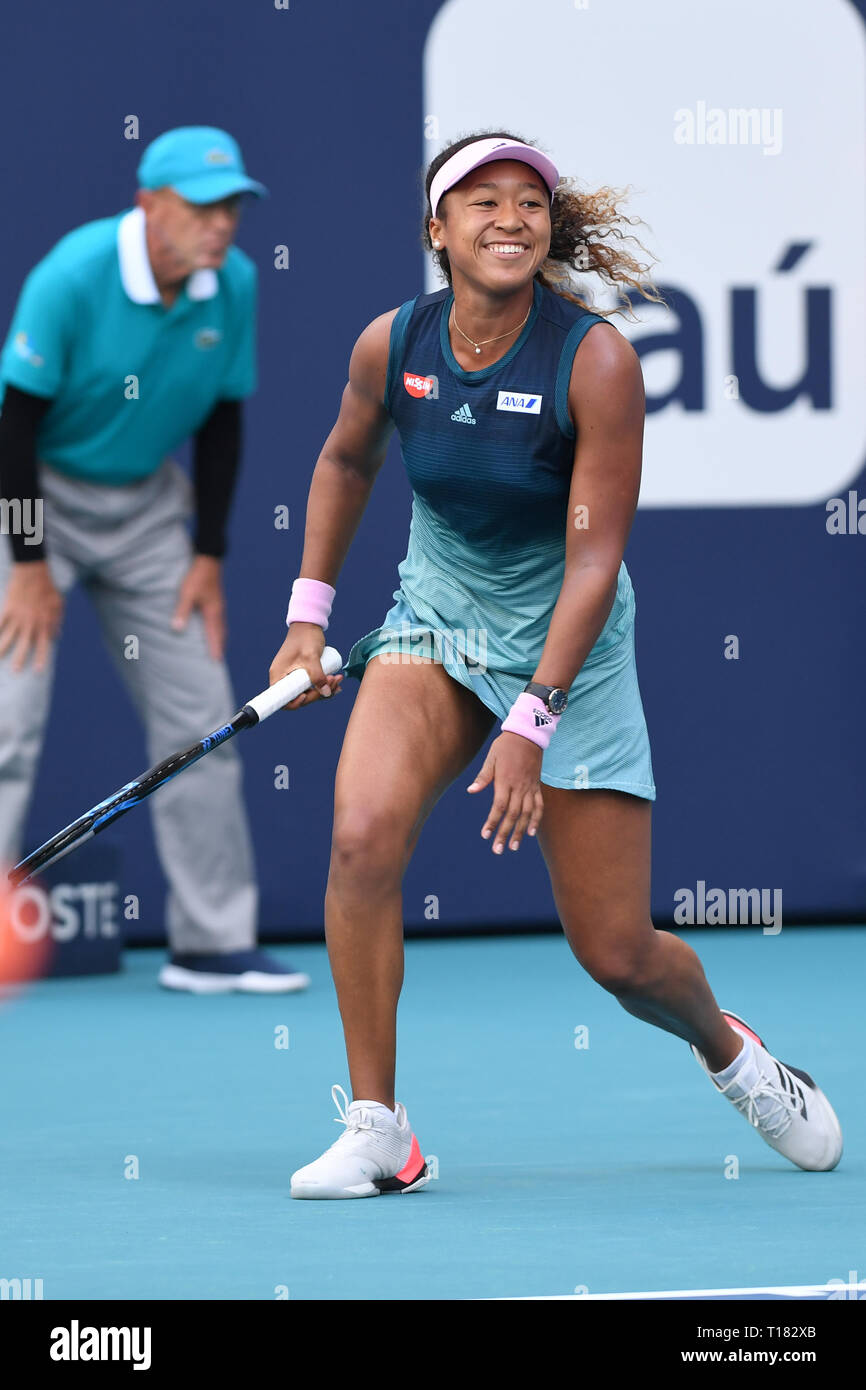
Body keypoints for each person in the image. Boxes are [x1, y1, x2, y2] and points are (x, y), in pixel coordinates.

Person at [268, 131, 842, 1197]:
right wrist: (309, 619)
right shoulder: (389, 344)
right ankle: (380, 1127)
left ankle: (732, 1053)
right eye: (479, 201)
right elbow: (346, 456)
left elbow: (592, 558)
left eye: (527, 202)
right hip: (438, 616)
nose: (508, 218)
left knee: (618, 954)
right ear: (435, 232)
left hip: (568, 640)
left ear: (547, 226)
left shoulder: (594, 359)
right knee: (358, 836)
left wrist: (532, 716)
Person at [0, 126, 314, 993]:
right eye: (201, 207)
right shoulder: (73, 274)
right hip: (33, 501)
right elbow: (15, 420)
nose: (221, 225)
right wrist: (27, 561)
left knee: (201, 718)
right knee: (7, 722)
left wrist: (207, 554)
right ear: (149, 204)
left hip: (145, 513)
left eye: (232, 208)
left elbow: (221, 420)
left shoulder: (234, 285)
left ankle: (211, 943)